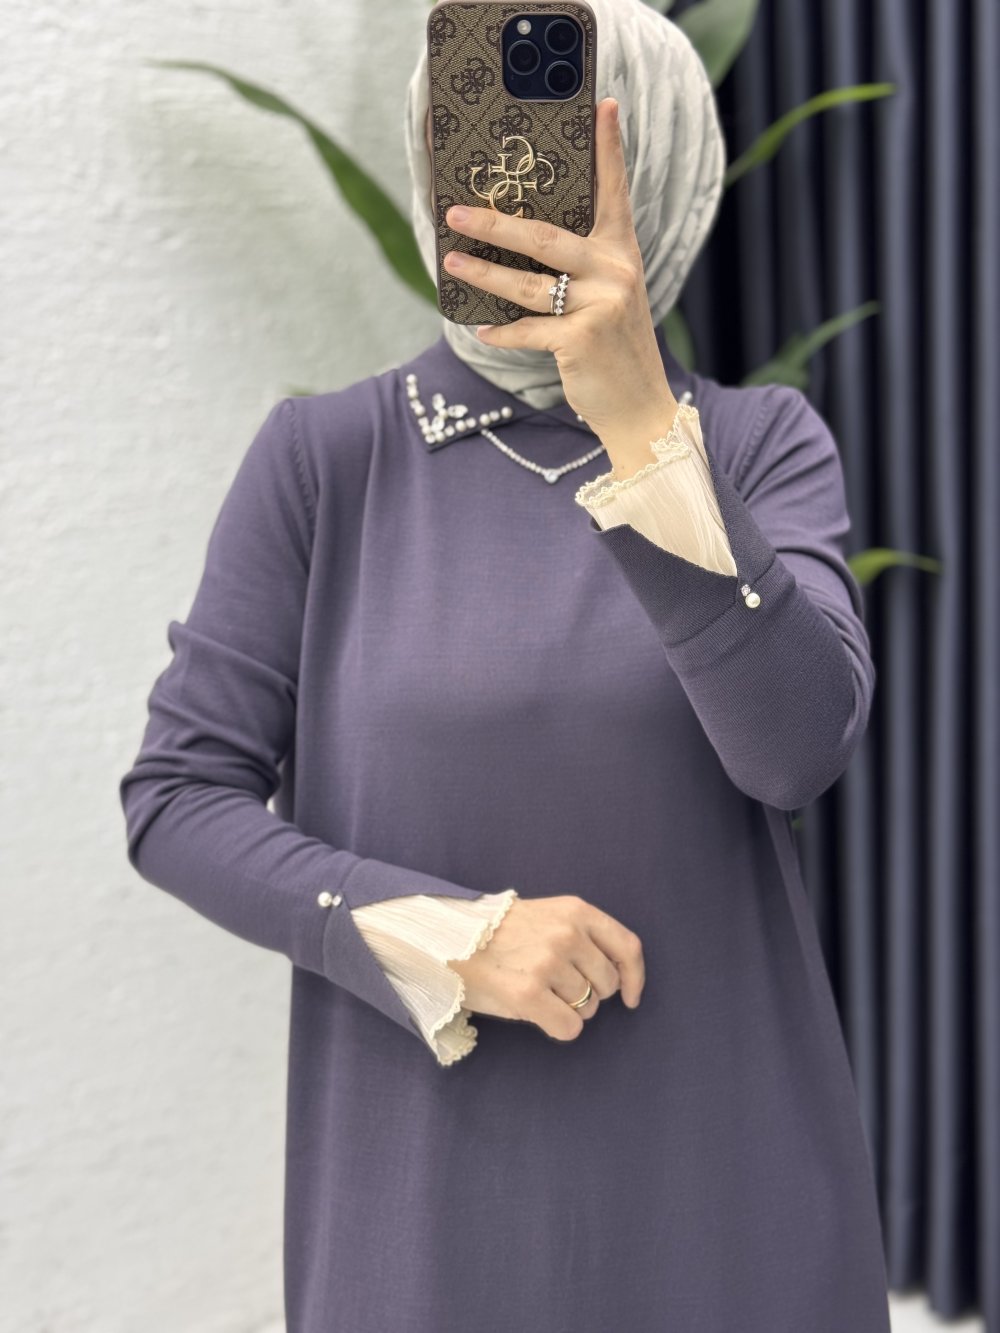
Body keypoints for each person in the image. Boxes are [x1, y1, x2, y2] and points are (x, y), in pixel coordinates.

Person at [118, 0, 893, 1327]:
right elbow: (177, 799)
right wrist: (443, 937)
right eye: (474, 138)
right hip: (425, 1194)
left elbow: (798, 747)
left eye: (578, 152)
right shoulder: (325, 463)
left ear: (659, 171)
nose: (516, 183)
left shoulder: (760, 444)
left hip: (727, 1174)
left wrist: (645, 431)